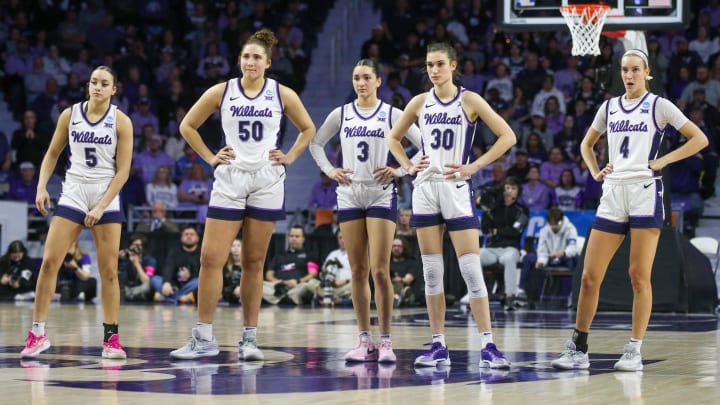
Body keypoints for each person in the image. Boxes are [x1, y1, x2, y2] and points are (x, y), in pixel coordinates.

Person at [551, 49, 708, 372]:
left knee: (639, 276)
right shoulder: (609, 107)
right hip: (612, 193)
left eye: (635, 69)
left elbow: (699, 139)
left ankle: (634, 349)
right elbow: (586, 143)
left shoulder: (659, 105)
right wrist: (595, 170)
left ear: (646, 72)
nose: (629, 75)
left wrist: (664, 160)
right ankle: (579, 348)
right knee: (589, 277)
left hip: (644, 192)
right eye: (625, 70)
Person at [170, 29, 316, 361]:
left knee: (253, 261)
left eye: (257, 57)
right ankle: (204, 337)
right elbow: (187, 126)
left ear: (267, 61)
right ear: (239, 60)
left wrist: (290, 157)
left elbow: (309, 128)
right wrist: (210, 157)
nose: (251, 62)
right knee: (210, 259)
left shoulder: (282, 94)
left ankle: (249, 339)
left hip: (267, 179)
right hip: (230, 179)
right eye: (246, 56)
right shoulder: (223, 91)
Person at [387, 42, 516, 369]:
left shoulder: (469, 100)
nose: (434, 70)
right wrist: (407, 165)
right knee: (432, 272)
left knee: (471, 269)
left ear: (454, 66)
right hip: (426, 188)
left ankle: (488, 345)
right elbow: (393, 138)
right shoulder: (419, 102)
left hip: (456, 187)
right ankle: (438, 345)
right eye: (430, 65)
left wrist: (475, 166)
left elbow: (507, 136)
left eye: (440, 64)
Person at [309, 58, 423, 363]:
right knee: (358, 270)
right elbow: (316, 144)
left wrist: (401, 170)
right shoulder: (341, 113)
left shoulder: (391, 114)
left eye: (366, 77)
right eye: (356, 77)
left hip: (380, 193)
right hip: (348, 193)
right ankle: (363, 340)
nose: (360, 83)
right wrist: (331, 170)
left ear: (378, 81)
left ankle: (386, 341)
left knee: (380, 270)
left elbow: (425, 143)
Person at [20, 65, 132, 360]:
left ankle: (111, 339)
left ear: (113, 89)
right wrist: (41, 186)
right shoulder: (70, 115)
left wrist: (101, 205)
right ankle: (37, 333)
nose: (97, 87)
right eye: (94, 82)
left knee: (108, 271)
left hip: (106, 193)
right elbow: (52, 154)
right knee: (48, 263)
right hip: (74, 191)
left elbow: (124, 172)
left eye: (104, 83)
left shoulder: (121, 121)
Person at [479, 177, 529, 310]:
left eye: (513, 188)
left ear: (518, 191)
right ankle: (476, 295)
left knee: (508, 259)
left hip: (511, 248)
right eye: (507, 188)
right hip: (492, 249)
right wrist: (486, 210)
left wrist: (496, 231)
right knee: (475, 257)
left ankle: (510, 297)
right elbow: (485, 229)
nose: (509, 191)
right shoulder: (494, 208)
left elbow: (515, 231)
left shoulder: (522, 210)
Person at [520, 207, 579, 306]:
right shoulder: (544, 231)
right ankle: (523, 293)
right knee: (529, 259)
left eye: (556, 224)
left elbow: (573, 248)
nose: (554, 227)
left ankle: (575, 294)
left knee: (577, 260)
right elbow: (542, 250)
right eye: (551, 224)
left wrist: (563, 253)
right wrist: (541, 261)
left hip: (565, 257)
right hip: (549, 257)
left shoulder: (570, 229)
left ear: (560, 221)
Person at [261, 225, 320, 305]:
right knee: (257, 284)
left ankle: (277, 298)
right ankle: (286, 298)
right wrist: (276, 281)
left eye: (297, 236)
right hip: (277, 286)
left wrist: (297, 281)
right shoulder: (279, 255)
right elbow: (269, 274)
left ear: (303, 239)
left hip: (298, 286)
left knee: (311, 284)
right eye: (291, 236)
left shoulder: (309, 255)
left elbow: (312, 274)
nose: (294, 238)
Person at [151, 225, 201, 304]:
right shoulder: (174, 251)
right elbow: (168, 268)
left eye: (192, 234)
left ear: (197, 238)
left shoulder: (201, 253)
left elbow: (203, 273)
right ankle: (181, 298)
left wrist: (190, 275)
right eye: (186, 234)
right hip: (174, 285)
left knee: (200, 281)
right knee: (155, 279)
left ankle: (168, 298)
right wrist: (166, 282)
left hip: (191, 284)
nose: (189, 236)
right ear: (181, 238)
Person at [315, 230, 351, 306]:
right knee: (312, 283)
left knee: (357, 286)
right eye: (340, 238)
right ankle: (335, 299)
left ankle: (336, 300)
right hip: (330, 286)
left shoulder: (357, 253)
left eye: (345, 237)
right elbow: (322, 274)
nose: (342, 240)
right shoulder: (333, 254)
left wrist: (346, 281)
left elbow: (362, 276)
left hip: (347, 285)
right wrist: (325, 275)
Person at [118, 234, 157, 302]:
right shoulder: (125, 259)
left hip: (140, 288)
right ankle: (128, 295)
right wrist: (121, 260)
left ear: (143, 248)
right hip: (127, 287)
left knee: (148, 286)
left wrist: (136, 263)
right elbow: (121, 281)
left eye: (138, 245)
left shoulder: (150, 260)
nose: (135, 247)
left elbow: (146, 281)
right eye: (133, 244)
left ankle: (128, 295)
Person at [56, 238, 97, 302]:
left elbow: (86, 276)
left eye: (70, 245)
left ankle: (84, 296)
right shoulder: (58, 256)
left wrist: (75, 267)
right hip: (63, 283)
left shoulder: (84, 256)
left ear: (75, 245)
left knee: (92, 281)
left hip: (78, 282)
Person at [390, 236, 422, 307]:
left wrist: (398, 279)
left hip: (406, 287)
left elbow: (407, 280)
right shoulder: (387, 263)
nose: (396, 248)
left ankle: (400, 297)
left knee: (401, 286)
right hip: (388, 288)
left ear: (404, 247)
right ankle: (396, 298)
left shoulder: (411, 262)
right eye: (394, 246)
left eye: (399, 246)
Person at [221, 238, 243, 305]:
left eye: (238, 245)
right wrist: (234, 288)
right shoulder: (225, 266)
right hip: (231, 293)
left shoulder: (248, 265)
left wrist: (240, 288)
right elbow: (224, 285)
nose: (236, 248)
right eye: (233, 246)